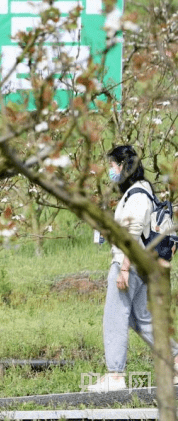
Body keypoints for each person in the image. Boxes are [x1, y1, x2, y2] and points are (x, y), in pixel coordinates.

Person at [87, 145, 178, 392]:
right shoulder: (141, 192)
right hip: (142, 266)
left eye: (113, 165)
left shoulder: (138, 194)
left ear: (123, 166)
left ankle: (115, 376)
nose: (110, 170)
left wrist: (124, 268)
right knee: (143, 320)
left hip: (129, 264)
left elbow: (134, 231)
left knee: (114, 317)